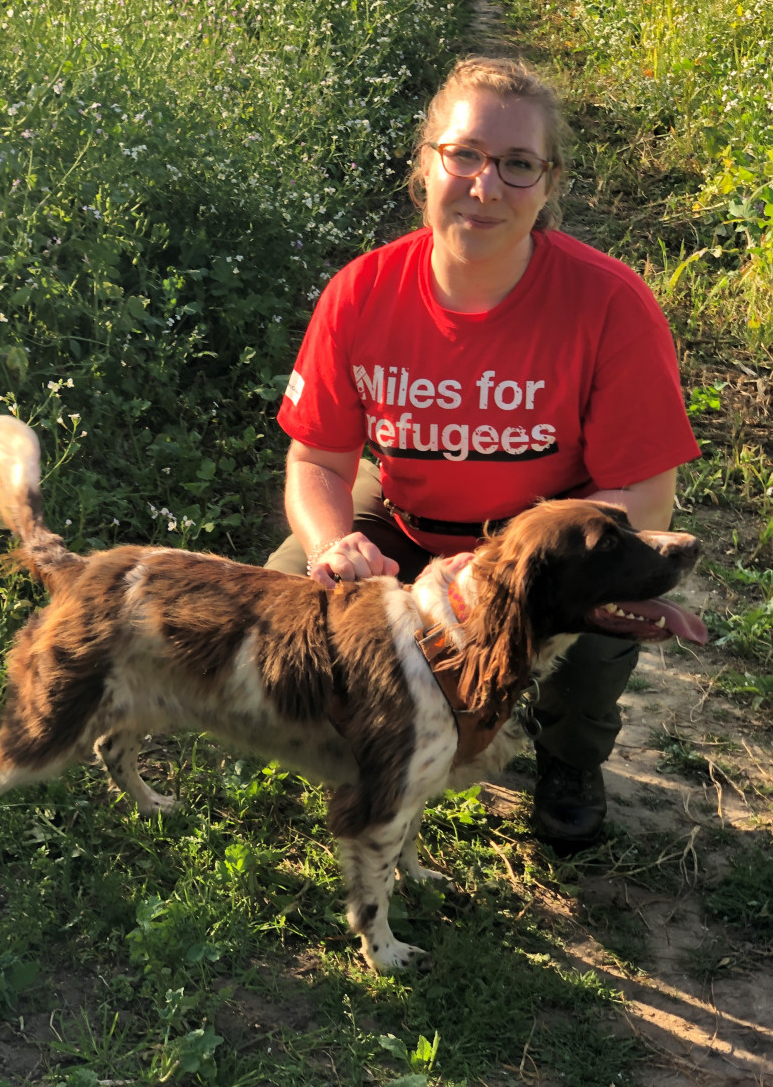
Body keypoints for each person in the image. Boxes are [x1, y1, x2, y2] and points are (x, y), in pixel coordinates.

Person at [266, 56, 701, 849]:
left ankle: (568, 756)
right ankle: (364, 738)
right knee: (292, 579)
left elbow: (641, 491)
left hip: (545, 537)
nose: (486, 185)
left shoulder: (610, 305)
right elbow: (318, 461)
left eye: (517, 164)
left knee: (605, 607)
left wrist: (490, 577)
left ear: (548, 183)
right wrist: (336, 543)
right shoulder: (360, 293)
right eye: (463, 154)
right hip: (407, 513)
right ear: (425, 164)